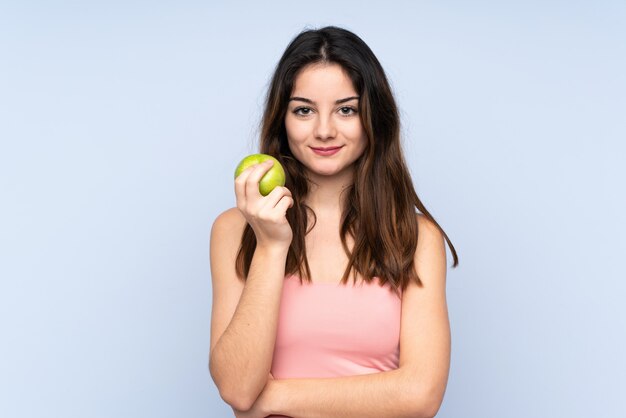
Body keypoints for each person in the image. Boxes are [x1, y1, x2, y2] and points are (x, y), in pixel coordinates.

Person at [209, 26, 459, 418]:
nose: (324, 130)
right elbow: (238, 388)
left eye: (346, 109)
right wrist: (272, 246)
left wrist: (275, 398)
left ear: (372, 116)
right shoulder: (235, 230)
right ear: (282, 119)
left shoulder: (415, 237)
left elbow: (421, 393)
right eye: (304, 110)